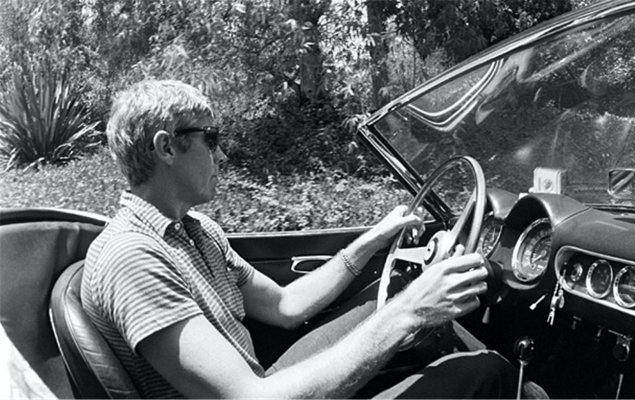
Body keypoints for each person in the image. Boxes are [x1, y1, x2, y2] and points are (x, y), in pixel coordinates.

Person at [81, 80, 521, 398]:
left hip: (263, 381)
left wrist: (372, 240)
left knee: (389, 308)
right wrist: (409, 312)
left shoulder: (197, 231)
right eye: (210, 138)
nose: (223, 154)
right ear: (166, 148)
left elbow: (284, 307)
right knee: (487, 371)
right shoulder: (133, 258)